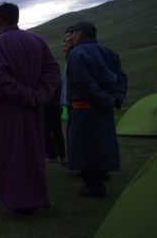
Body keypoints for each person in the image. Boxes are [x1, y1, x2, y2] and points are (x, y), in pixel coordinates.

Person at [0, 2, 60, 214]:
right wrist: (41, 95)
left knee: (10, 153)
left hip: (8, 110)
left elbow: (0, 78)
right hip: (34, 108)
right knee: (34, 151)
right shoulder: (37, 40)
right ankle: (36, 198)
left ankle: (15, 201)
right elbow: (52, 70)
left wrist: (25, 95)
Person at [66, 21, 123, 198]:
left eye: (72, 33)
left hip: (84, 109)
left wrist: (103, 99)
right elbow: (122, 77)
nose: (70, 37)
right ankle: (99, 179)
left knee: (85, 148)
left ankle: (93, 187)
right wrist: (116, 99)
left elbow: (84, 83)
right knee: (102, 144)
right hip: (104, 109)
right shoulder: (109, 52)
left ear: (81, 33)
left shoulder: (77, 53)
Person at [43, 86, 66, 163]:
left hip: (52, 107)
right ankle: (59, 156)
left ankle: (55, 155)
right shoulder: (56, 78)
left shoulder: (53, 78)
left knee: (49, 131)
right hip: (54, 106)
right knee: (55, 132)